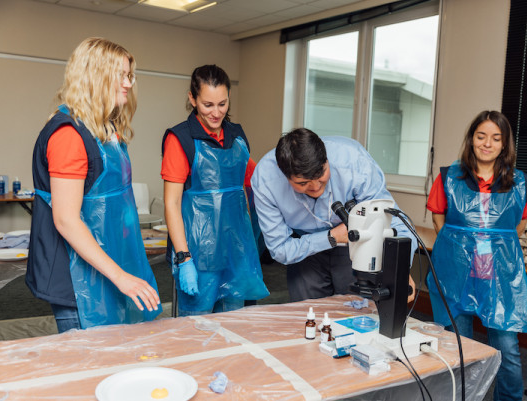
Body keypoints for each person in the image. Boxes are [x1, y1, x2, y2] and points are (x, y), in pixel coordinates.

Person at [26, 37, 162, 332]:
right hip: (77, 279)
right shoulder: (68, 136)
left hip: (110, 261)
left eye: (130, 75)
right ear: (96, 77)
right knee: (90, 367)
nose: (129, 83)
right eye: (122, 75)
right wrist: (121, 276)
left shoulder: (105, 129)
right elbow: (66, 220)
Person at [426, 110, 527, 401]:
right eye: (481, 136)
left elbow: (519, 224)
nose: (487, 143)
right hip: (457, 269)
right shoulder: (449, 177)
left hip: (499, 272)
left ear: (505, 144)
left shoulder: (519, 183)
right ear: (471, 139)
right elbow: (439, 217)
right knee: (459, 344)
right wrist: (461, 242)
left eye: (495, 138)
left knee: (507, 347)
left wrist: (487, 240)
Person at [251, 128, 418, 302]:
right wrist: (332, 237)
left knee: (357, 311)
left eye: (321, 174)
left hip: (355, 243)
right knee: (306, 313)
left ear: (326, 159)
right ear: (283, 172)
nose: (315, 187)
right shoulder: (265, 180)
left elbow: (395, 221)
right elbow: (280, 249)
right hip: (303, 247)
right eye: (303, 183)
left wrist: (400, 268)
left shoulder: (354, 161)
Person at [161, 64, 269, 316]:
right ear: (192, 99)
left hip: (236, 252)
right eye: (208, 104)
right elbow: (172, 204)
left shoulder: (237, 135)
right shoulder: (180, 139)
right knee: (196, 333)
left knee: (234, 329)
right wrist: (184, 258)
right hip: (199, 256)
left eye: (222, 104)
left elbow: (256, 180)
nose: (216, 112)